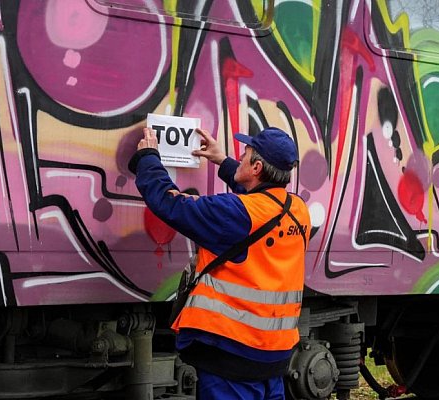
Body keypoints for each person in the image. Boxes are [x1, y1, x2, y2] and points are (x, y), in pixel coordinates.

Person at [129, 125, 310, 399]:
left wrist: (148, 158)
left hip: (232, 354)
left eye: (245, 154)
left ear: (257, 167)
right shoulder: (298, 210)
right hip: (274, 358)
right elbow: (259, 202)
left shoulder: (237, 214)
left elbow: (171, 205)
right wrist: (222, 162)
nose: (240, 157)